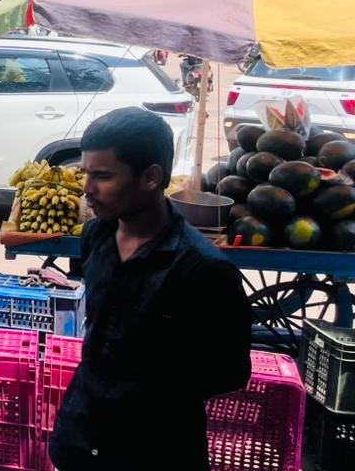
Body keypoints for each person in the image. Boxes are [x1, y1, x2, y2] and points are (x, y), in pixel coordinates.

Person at [49, 107, 250, 471]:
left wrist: (147, 387)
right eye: (85, 173)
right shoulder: (96, 236)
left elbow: (230, 371)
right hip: (81, 435)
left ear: (150, 177)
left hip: (154, 450)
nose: (87, 189)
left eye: (103, 176)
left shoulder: (203, 269)